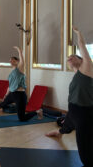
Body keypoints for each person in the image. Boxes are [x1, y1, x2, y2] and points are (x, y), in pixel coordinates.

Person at [46, 27, 93, 167]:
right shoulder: (76, 76)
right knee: (66, 124)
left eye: (73, 56)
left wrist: (78, 34)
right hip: (73, 110)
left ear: (81, 60)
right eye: (68, 58)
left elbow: (82, 46)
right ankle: (59, 133)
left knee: (84, 147)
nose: (69, 57)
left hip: (84, 112)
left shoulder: (88, 69)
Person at [0, 46, 43, 121]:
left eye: (12, 60)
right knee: (5, 102)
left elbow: (22, 61)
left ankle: (37, 112)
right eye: (10, 60)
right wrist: (6, 94)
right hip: (12, 93)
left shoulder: (19, 69)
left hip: (19, 95)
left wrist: (19, 52)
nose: (10, 61)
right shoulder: (11, 73)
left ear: (17, 62)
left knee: (22, 118)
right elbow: (10, 85)